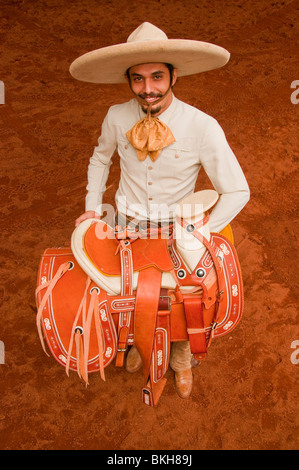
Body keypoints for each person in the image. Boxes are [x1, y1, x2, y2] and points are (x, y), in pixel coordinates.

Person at [70, 22, 250, 399]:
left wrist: (197, 233)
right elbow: (99, 159)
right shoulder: (116, 116)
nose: (147, 88)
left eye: (156, 76)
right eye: (137, 79)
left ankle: (182, 359)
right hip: (125, 223)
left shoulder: (202, 126)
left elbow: (236, 190)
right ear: (129, 80)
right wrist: (92, 208)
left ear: (174, 75)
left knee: (186, 300)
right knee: (125, 293)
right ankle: (138, 344)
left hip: (177, 229)